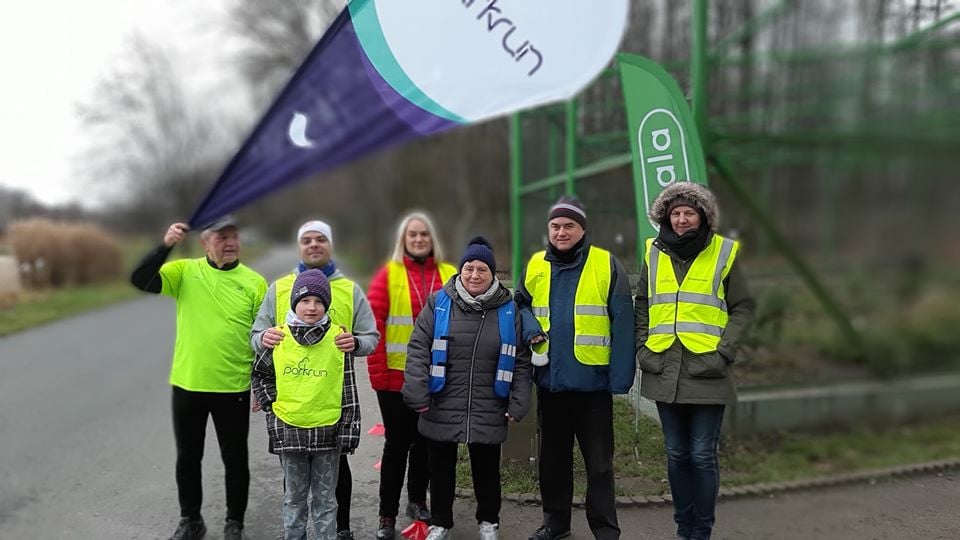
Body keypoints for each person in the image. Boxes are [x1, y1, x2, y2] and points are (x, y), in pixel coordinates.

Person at [130, 217, 267, 540]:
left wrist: (262, 385)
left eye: (234, 237)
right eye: (222, 237)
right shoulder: (184, 273)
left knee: (235, 459)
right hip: (188, 384)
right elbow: (141, 279)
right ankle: (191, 520)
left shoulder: (255, 282)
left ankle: (235, 523)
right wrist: (165, 246)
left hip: (233, 385)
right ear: (205, 243)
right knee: (188, 457)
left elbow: (263, 339)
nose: (230, 242)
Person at [635, 182, 755, 540]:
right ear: (665, 217)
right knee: (676, 453)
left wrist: (724, 351)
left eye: (690, 212)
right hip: (663, 366)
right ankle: (682, 527)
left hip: (708, 369)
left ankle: (700, 531)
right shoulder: (652, 253)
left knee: (702, 455)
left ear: (702, 216)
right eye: (676, 213)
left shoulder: (724, 252)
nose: (683, 219)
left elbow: (743, 307)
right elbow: (643, 302)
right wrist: (643, 346)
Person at [514, 197, 635, 540]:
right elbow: (519, 304)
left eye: (569, 226)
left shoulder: (606, 264)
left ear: (582, 229)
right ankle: (556, 523)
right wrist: (529, 325)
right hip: (551, 383)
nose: (562, 232)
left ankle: (606, 529)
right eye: (556, 226)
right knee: (553, 461)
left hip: (593, 386)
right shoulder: (536, 264)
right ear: (548, 230)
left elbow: (623, 322)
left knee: (599, 465)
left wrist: (620, 377)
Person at [250, 220, 379, 540]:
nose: (313, 245)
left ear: (330, 244)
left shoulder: (349, 290)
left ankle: (342, 529)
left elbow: (370, 337)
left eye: (320, 239)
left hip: (328, 408)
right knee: (294, 487)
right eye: (307, 240)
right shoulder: (279, 288)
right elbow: (257, 339)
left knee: (334, 483)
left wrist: (358, 344)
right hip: (291, 412)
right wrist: (262, 340)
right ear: (299, 246)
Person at [402, 237, 532, 540]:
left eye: (482, 269)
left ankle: (489, 523)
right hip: (441, 401)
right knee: (441, 469)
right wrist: (417, 391)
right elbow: (418, 348)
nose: (474, 275)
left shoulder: (509, 309)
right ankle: (441, 523)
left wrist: (518, 402)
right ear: (461, 271)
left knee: (487, 472)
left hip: (490, 404)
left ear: (493, 274)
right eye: (469, 268)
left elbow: (522, 362)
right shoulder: (439, 302)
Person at [366, 212, 458, 539]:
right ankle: (386, 515)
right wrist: (379, 377)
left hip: (438, 378)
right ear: (403, 240)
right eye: (412, 235)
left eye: (424, 234)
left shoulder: (450, 274)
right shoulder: (388, 275)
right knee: (397, 445)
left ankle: (418, 501)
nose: (419, 239)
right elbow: (373, 328)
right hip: (396, 378)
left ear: (433, 239)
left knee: (425, 443)